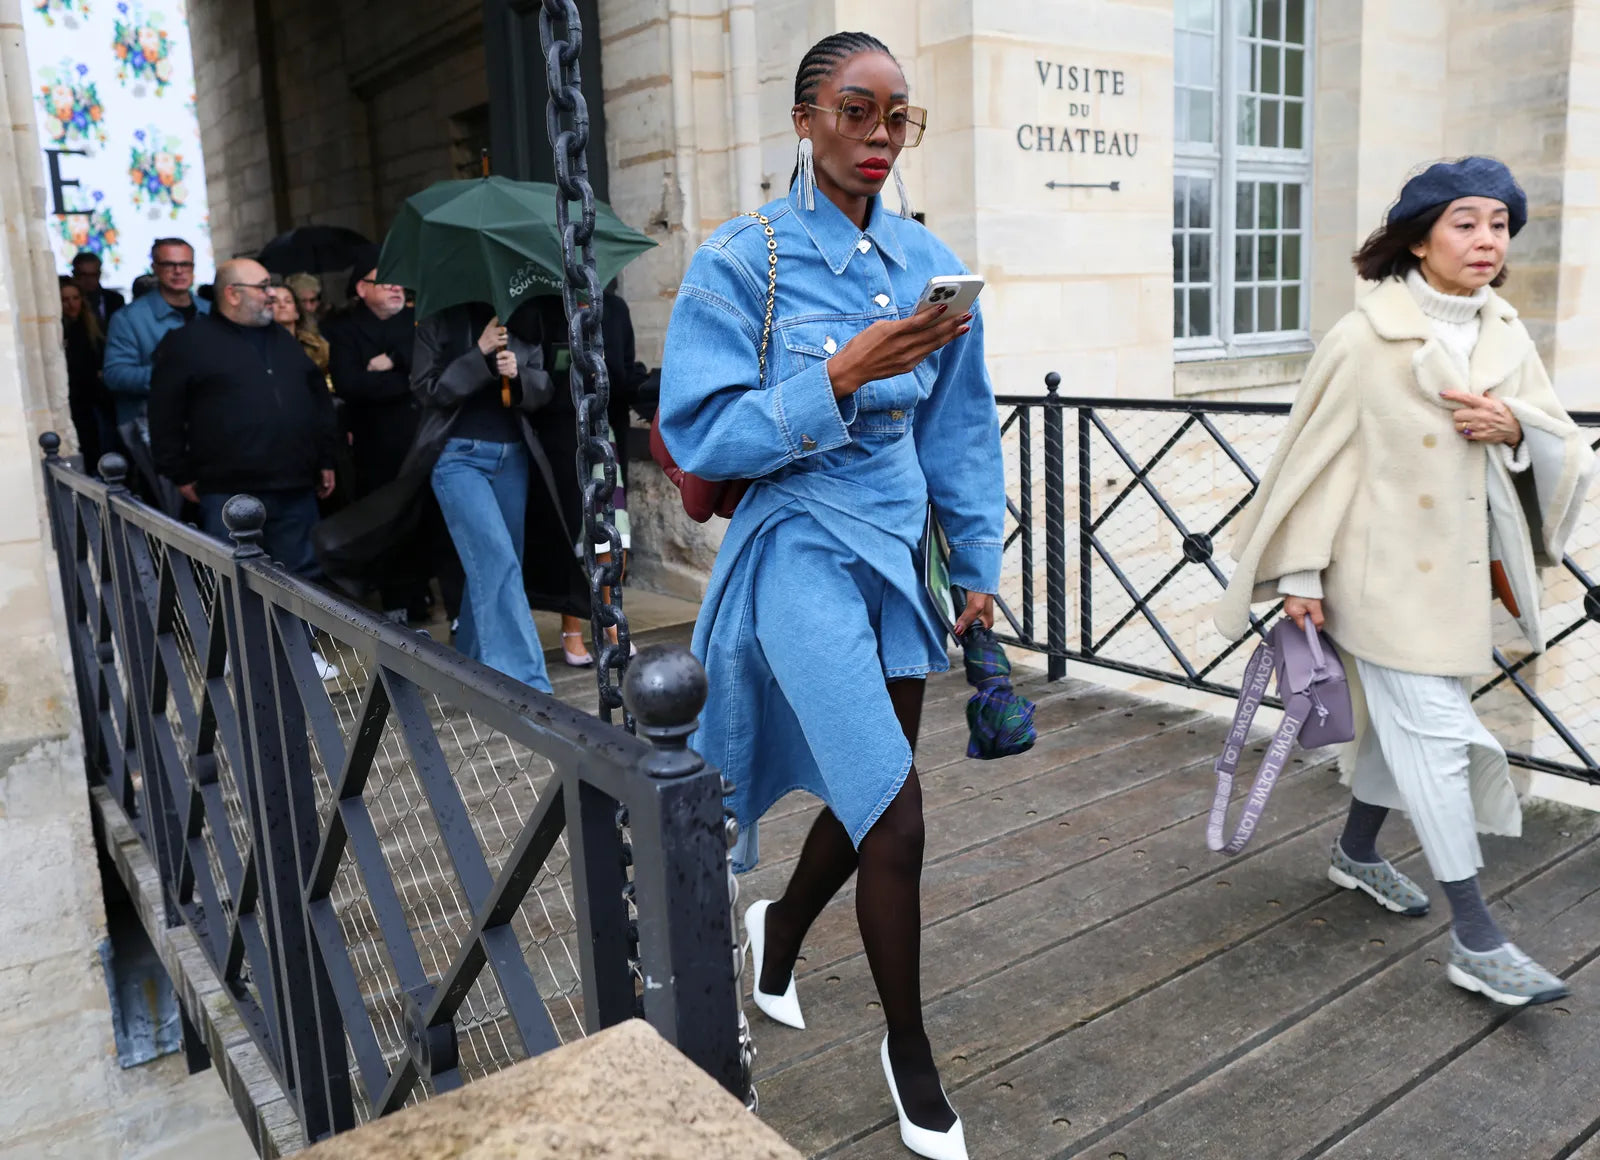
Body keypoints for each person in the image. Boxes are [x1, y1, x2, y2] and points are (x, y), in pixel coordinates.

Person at [658, 32, 1002, 1160]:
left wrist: (979, 563)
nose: (877, 136)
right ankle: (910, 1053)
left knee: (868, 804)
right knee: (896, 809)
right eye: (855, 110)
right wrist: (839, 372)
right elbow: (702, 430)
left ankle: (780, 930)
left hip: (896, 551)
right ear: (804, 118)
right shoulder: (738, 258)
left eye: (897, 117)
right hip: (796, 543)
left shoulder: (931, 263)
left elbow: (957, 428)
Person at [1217, 157, 1597, 1007]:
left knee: (1396, 733)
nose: (1487, 240)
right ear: (1421, 238)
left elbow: (1563, 444)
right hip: (1380, 580)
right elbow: (1316, 464)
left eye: (1499, 224)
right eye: (1466, 222)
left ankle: (1355, 853)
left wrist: (1514, 430)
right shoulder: (1364, 337)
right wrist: (1302, 573)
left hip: (1463, 586)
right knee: (1440, 742)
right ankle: (1477, 938)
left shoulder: (1505, 333)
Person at [148, 258, 339, 581]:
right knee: (234, 583)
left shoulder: (283, 340)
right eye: (263, 287)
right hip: (228, 492)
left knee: (304, 583)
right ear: (233, 294)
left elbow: (316, 400)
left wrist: (326, 457)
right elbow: (164, 412)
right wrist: (178, 471)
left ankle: (297, 636)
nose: (273, 295)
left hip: (294, 486)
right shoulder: (188, 343)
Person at [411, 301, 561, 692]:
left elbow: (544, 388)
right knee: (497, 561)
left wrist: (521, 375)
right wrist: (478, 354)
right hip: (458, 458)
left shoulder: (523, 318)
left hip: (512, 456)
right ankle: (524, 682)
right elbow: (428, 389)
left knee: (497, 564)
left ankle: (467, 666)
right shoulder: (437, 320)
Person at [323, 253, 431, 619]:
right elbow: (351, 385)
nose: (395, 287)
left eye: (398, 281)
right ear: (362, 289)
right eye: (385, 282)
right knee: (389, 524)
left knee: (430, 523)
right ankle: (397, 601)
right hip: (378, 445)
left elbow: (430, 373)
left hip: (425, 437)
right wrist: (407, 378)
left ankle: (430, 595)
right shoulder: (345, 330)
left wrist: (394, 361)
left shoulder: (418, 321)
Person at [103, 237, 207, 428]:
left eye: (185, 264)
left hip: (211, 420)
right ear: (155, 268)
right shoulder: (128, 318)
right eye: (169, 264)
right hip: (155, 426)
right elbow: (115, 374)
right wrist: (173, 376)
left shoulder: (210, 312)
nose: (178, 271)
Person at [60, 276, 115, 474]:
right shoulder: (59, 332)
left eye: (75, 298)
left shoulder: (95, 327)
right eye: (65, 299)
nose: (71, 304)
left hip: (99, 400)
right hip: (76, 401)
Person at [271, 284, 331, 375]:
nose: (282, 305)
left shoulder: (316, 345)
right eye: (274, 301)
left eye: (288, 301)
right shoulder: (258, 346)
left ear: (297, 312)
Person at [71, 250, 125, 325]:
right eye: (83, 275)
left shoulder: (116, 300)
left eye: (93, 275)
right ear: (74, 274)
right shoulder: (69, 302)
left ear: (99, 274)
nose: (89, 280)